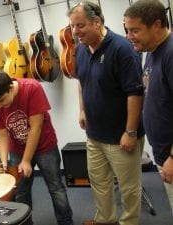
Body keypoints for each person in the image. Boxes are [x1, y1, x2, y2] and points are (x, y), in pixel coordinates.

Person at [68, 2, 145, 225]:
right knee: (99, 183)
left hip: (121, 136)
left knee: (129, 188)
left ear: (97, 22)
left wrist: (130, 132)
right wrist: (82, 110)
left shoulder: (122, 49)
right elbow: (81, 81)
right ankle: (105, 220)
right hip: (94, 135)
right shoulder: (81, 48)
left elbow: (135, 93)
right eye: (72, 26)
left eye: (80, 25)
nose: (75, 31)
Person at [0, 70, 73, 225]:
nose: (0, 106)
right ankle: (24, 222)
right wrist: (3, 162)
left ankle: (66, 221)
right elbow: (1, 134)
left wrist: (26, 160)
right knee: (21, 190)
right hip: (17, 148)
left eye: (1, 101)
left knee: (56, 187)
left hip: (45, 146)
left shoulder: (32, 88)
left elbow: (36, 128)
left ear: (10, 87)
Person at [124, 0, 173, 210]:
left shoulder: (171, 53)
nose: (129, 36)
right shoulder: (152, 51)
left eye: (135, 30)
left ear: (157, 25)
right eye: (127, 30)